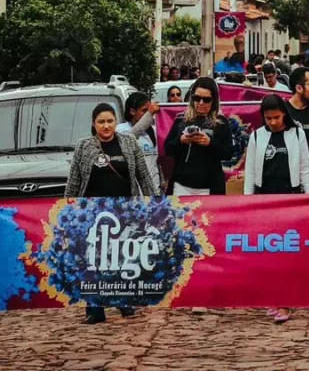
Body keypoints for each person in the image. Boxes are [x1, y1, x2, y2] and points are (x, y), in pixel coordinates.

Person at [66, 103, 160, 324]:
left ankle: (124, 302)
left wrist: (155, 204)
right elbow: (73, 183)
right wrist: (67, 209)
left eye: (109, 121)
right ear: (93, 124)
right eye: (101, 122)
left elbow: (143, 177)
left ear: (116, 122)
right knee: (93, 261)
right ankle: (94, 309)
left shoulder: (128, 142)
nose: (106, 126)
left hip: (123, 210)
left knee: (121, 257)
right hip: (91, 213)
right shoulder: (83, 147)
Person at [243, 95, 309, 324]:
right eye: (268, 118)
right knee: (268, 253)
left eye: (276, 117)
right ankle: (272, 298)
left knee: (287, 253)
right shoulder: (256, 136)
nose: (272, 122)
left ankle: (285, 302)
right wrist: (248, 202)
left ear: (284, 113)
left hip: (290, 197)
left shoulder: (297, 134)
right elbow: (251, 172)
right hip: (265, 199)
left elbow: (305, 168)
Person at [164, 77, 235, 195]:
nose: (200, 103)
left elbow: (228, 153)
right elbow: (167, 149)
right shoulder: (181, 119)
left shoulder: (221, 122)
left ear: (214, 100)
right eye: (196, 98)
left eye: (206, 99)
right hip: (181, 184)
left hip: (209, 186)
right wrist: (180, 141)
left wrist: (209, 143)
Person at [117, 92, 162, 190]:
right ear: (132, 111)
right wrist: (149, 114)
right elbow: (129, 139)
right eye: (144, 111)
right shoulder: (121, 130)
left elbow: (158, 161)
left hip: (154, 189)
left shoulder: (154, 131)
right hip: (134, 192)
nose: (150, 115)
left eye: (149, 111)